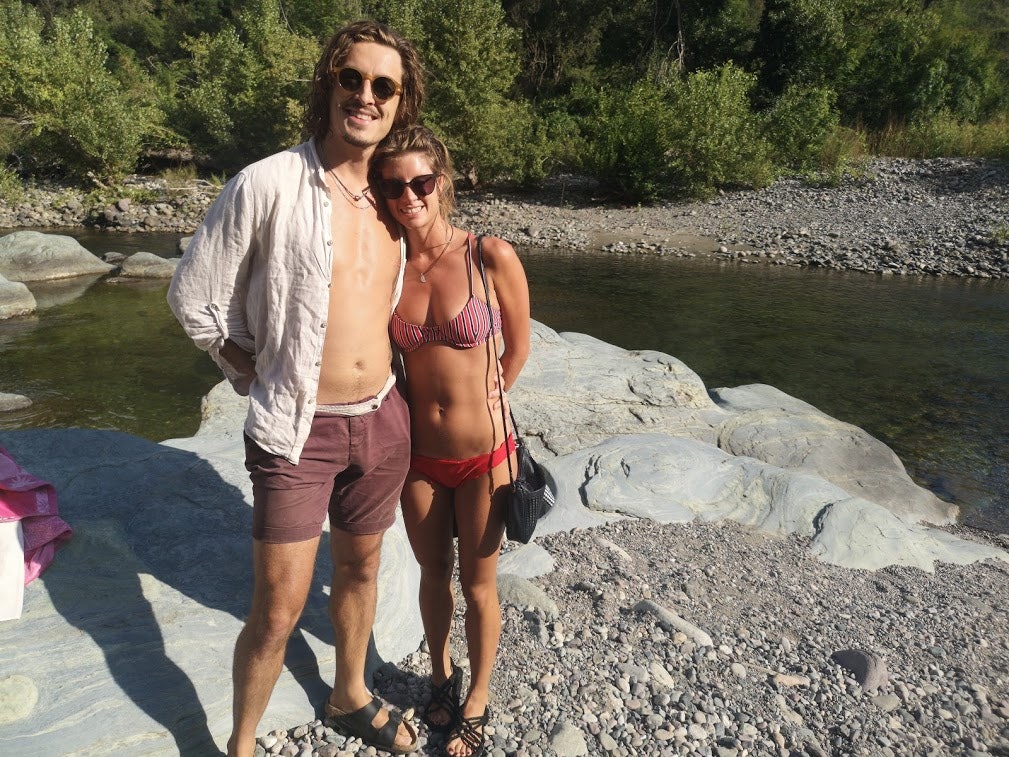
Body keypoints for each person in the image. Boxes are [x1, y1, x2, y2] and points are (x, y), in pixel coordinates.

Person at [167, 20, 424, 757]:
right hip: (296, 430)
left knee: (361, 568)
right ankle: (242, 744)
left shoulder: (397, 195)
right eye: (352, 78)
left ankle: (349, 693)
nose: (366, 95)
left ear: (400, 103)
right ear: (328, 83)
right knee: (278, 609)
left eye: (384, 86)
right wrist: (248, 372)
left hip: (382, 421)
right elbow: (193, 296)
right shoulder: (269, 181)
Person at [370, 126, 531, 757]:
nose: (408, 196)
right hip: (419, 458)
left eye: (420, 182)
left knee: (479, 585)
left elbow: (517, 348)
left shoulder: (489, 255)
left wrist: (486, 403)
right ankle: (442, 675)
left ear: (442, 183)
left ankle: (478, 699)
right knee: (433, 575)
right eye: (393, 186)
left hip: (487, 456)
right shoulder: (390, 267)